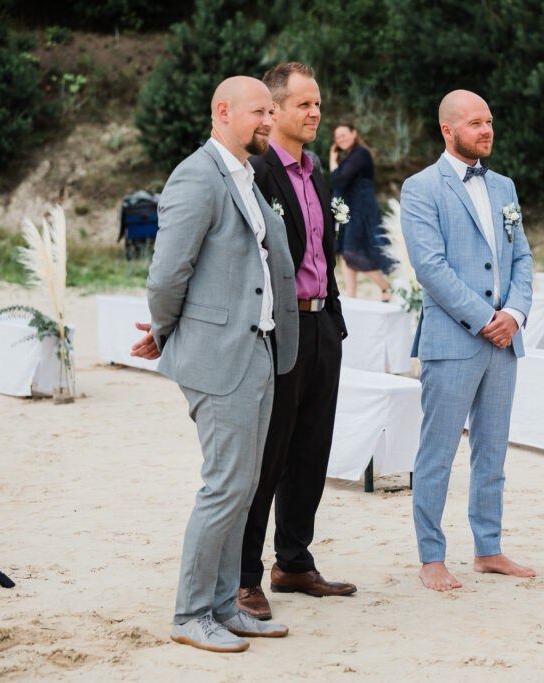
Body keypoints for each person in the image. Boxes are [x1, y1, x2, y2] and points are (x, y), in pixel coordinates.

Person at [130, 76, 298, 652]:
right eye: (259, 112)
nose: (269, 122)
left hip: (259, 349)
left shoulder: (247, 176)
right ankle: (190, 613)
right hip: (218, 356)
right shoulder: (196, 176)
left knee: (247, 487)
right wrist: (165, 331)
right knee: (225, 487)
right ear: (222, 111)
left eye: (272, 113)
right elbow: (167, 274)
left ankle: (227, 605)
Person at [400, 90, 535, 592]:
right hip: (453, 339)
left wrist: (515, 314)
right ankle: (431, 556)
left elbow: (522, 257)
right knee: (436, 452)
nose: (487, 130)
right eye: (476, 123)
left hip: (505, 340)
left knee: (492, 450)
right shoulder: (420, 188)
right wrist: (486, 318)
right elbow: (430, 268)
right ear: (448, 130)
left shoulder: (504, 186)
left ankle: (489, 549)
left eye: (490, 122)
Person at [237, 63, 356, 622]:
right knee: (269, 454)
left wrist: (333, 319)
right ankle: (244, 577)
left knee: (312, 449)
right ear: (274, 110)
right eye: (303, 104)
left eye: (318, 104)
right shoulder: (255, 173)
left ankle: (293, 561)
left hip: (321, 328)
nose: (314, 114)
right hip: (277, 331)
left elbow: (322, 257)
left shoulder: (320, 176)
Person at [329, 123, 394, 300]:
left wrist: (332, 160)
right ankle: (351, 296)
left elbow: (339, 180)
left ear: (354, 133)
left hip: (360, 209)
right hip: (348, 209)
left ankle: (386, 288)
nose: (341, 139)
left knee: (352, 252)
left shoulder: (360, 153)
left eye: (344, 135)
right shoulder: (350, 157)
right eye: (338, 137)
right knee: (344, 253)